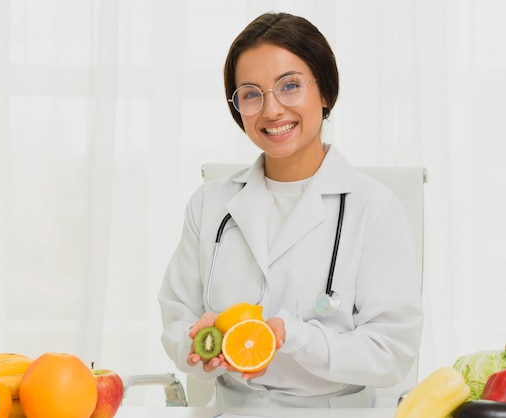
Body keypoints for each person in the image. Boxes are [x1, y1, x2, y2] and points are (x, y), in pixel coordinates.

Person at [158, 12, 423, 408]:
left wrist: (292, 337)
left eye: (290, 86)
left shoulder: (375, 208)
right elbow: (177, 318)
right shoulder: (209, 204)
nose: (272, 110)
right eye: (251, 93)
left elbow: (391, 352)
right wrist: (198, 344)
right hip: (233, 410)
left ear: (326, 92)